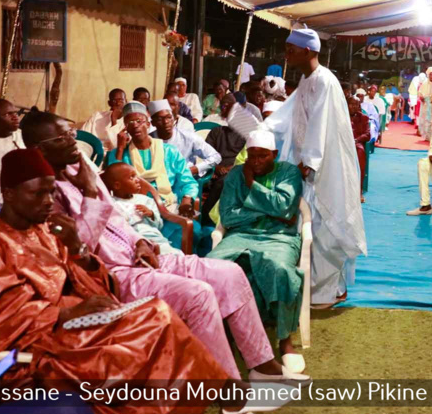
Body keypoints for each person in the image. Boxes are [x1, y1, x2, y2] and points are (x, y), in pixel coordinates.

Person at [0, 148, 258, 414]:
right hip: (30, 347)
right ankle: (224, 391)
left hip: (72, 326)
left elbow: (89, 281)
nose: (47, 202)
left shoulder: (45, 232)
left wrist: (79, 253)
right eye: (38, 194)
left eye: (50, 193)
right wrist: (64, 314)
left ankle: (220, 391)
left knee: (157, 316)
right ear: (8, 193)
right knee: (153, 324)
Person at [19, 114, 309, 385]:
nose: (74, 140)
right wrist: (92, 194)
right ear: (39, 149)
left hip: (141, 255)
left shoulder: (79, 167)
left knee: (231, 273)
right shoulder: (40, 192)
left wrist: (141, 242)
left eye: (71, 132)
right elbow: (80, 249)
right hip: (113, 275)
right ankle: (227, 388)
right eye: (63, 138)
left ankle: (262, 364)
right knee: (199, 294)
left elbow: (117, 217)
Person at [262, 28, 367, 307]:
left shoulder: (324, 80)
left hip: (325, 166)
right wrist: (264, 129)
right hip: (308, 165)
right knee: (310, 225)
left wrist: (309, 162)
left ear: (307, 51)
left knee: (325, 227)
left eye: (291, 49)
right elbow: (290, 111)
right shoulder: (306, 79)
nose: (286, 55)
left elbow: (321, 123)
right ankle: (313, 287)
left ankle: (331, 291)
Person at [210, 130, 307, 373]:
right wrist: (272, 211)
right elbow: (228, 217)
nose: (255, 162)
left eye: (262, 156)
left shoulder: (288, 172)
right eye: (251, 156)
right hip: (239, 236)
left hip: (278, 238)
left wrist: (252, 186)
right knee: (211, 267)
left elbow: (286, 208)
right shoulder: (236, 174)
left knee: (281, 270)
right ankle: (220, 335)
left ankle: (285, 340)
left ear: (274, 154)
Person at [108, 102, 199, 251]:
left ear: (148, 124)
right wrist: (119, 149)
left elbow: (187, 181)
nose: (135, 125)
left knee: (191, 231)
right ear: (125, 128)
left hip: (169, 208)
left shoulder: (169, 151)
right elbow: (112, 180)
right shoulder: (120, 153)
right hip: (137, 212)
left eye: (139, 121)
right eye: (130, 122)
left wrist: (186, 201)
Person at [103, 162, 184, 255]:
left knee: (174, 254)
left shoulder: (145, 200)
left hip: (153, 238)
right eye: (132, 177)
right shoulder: (111, 203)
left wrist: (151, 215)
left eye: (136, 176)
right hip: (128, 241)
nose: (138, 180)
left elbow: (159, 225)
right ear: (117, 185)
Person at [202, 94, 248, 221]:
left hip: (236, 172)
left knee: (223, 182)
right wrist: (216, 168)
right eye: (224, 108)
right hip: (214, 171)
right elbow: (206, 155)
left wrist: (229, 169)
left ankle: (207, 219)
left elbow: (246, 159)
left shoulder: (247, 135)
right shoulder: (216, 132)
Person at [148, 99, 221, 179]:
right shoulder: (148, 140)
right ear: (153, 123)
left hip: (185, 180)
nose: (166, 122)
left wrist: (194, 169)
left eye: (169, 117)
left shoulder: (188, 137)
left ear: (173, 119)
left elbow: (216, 157)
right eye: (160, 119)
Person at [348, 96, 371, 203]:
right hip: (342, 143)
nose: (353, 106)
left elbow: (367, 135)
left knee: (360, 152)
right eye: (351, 104)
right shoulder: (341, 116)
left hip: (356, 144)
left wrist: (356, 140)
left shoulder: (364, 118)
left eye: (356, 104)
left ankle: (359, 191)